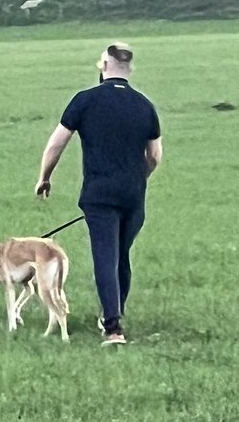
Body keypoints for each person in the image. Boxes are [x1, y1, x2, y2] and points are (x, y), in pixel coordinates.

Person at [35, 42, 162, 346]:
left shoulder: (85, 101)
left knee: (105, 256)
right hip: (133, 194)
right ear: (128, 69)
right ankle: (116, 311)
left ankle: (114, 327)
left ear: (104, 65)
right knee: (121, 254)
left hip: (99, 193)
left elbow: (57, 143)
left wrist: (45, 177)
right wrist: (136, 178)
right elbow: (155, 155)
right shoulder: (144, 105)